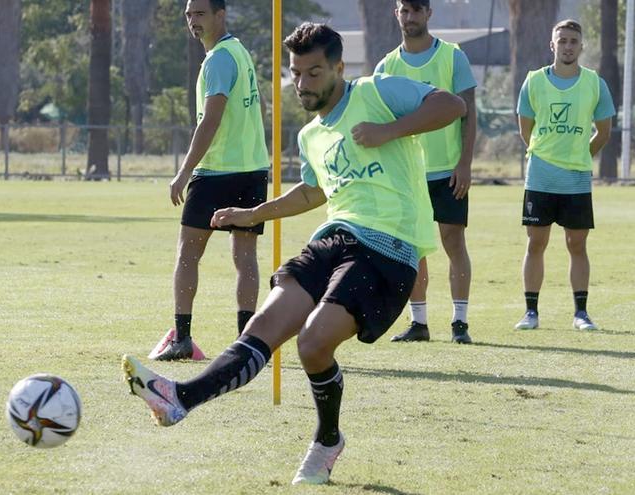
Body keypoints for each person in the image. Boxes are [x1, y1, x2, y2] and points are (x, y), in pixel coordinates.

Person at [122, 23, 466, 485]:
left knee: (312, 343)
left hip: (389, 248)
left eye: (314, 73)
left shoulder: (377, 91)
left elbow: (452, 105)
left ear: (339, 68)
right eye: (296, 73)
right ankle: (179, 398)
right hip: (335, 237)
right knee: (264, 326)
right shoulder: (310, 136)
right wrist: (252, 214)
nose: (303, 84)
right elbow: (312, 193)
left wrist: (389, 130)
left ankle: (327, 440)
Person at [149, 0, 270, 361]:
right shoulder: (240, 52)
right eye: (188, 14)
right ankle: (247, 343)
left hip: (217, 170)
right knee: (245, 256)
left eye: (200, 13)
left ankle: (182, 339)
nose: (192, 20)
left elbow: (211, 120)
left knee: (188, 254)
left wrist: (184, 172)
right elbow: (256, 108)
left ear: (221, 15)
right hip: (252, 169)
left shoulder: (218, 58)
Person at [374, 0, 477, 344]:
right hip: (407, 174)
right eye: (405, 10)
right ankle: (419, 323)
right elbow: (378, 118)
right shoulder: (387, 65)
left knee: (453, 242)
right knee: (413, 248)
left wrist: (465, 163)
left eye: (417, 10)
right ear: (396, 14)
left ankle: (459, 322)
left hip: (447, 171)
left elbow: (469, 113)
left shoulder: (452, 56)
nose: (410, 17)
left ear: (429, 14)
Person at [513, 19, 614, 331]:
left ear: (581, 46)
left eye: (573, 41)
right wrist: (545, 155)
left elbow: (604, 132)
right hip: (540, 177)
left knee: (577, 245)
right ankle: (531, 313)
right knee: (536, 244)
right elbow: (525, 129)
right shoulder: (533, 81)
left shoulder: (595, 83)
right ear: (551, 45)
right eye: (562, 41)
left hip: (577, 179)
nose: (567, 46)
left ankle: (580, 313)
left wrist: (579, 156)